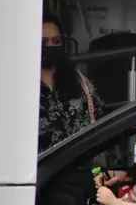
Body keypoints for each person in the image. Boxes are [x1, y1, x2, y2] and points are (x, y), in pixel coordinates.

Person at [39, 14, 106, 153]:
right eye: (44, 42)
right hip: (42, 169)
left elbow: (100, 116)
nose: (51, 46)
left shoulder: (78, 79)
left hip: (79, 164)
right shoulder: (20, 86)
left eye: (56, 41)